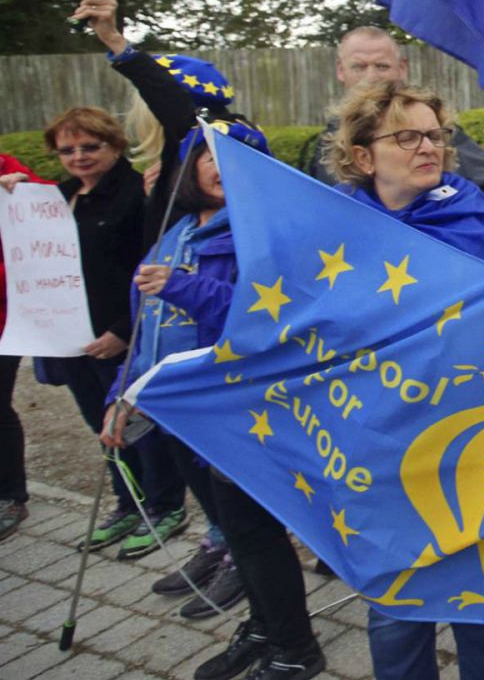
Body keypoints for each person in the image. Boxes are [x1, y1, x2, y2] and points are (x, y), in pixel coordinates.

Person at [105, 119, 326, 680]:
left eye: (240, 158)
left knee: (255, 532)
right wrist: (121, 396)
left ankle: (294, 647)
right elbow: (144, 328)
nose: (222, 167)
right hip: (178, 413)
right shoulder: (175, 233)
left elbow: (269, 319)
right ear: (189, 166)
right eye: (210, 155)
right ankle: (262, 623)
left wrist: (183, 285)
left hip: (234, 412)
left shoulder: (263, 235)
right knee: (230, 528)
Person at [323, 80, 484, 680]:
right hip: (376, 447)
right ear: (363, 156)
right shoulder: (332, 229)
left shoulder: (470, 214)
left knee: (482, 602)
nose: (426, 146)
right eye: (405, 136)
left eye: (434, 135)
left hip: (461, 442)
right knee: (395, 608)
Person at [70, 0, 249, 612]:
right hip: (160, 324)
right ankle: (218, 537)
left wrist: (117, 42)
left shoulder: (225, 142)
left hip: (212, 332)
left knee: (223, 460)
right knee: (183, 447)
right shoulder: (175, 170)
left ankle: (244, 553)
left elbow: (179, 108)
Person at [28, 107, 192, 560]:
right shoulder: (59, 199)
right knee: (100, 428)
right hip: (71, 336)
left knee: (136, 425)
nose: (78, 156)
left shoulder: (137, 196)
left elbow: (148, 265)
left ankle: (164, 504)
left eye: (89, 146)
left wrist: (123, 331)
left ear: (115, 146)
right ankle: (127, 502)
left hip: (120, 334)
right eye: (67, 150)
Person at [71, 0, 245, 249]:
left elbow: (174, 106)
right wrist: (159, 196)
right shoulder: (182, 157)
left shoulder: (213, 138)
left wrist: (115, 41)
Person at [309, 27, 484, 219]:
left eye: (382, 66)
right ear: (340, 70)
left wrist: (453, 227)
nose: (371, 77)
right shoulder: (327, 139)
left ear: (402, 68)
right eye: (359, 67)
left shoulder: (430, 127)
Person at [0, 154, 52, 543]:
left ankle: (10, 496)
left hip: (5, 320)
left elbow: (55, 207)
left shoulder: (5, 167)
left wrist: (23, 187)